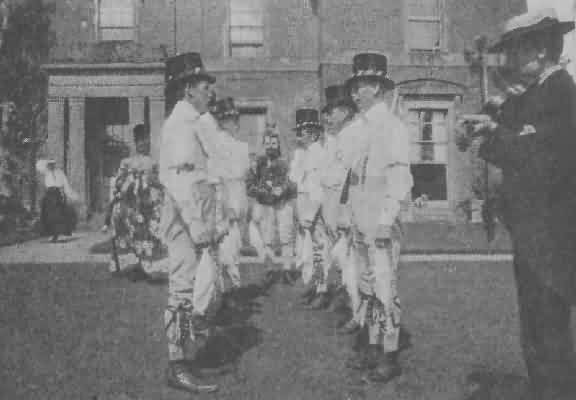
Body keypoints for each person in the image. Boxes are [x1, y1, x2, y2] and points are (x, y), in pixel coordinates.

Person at [472, 8, 576, 400]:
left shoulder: (562, 92)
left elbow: (548, 159)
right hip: (533, 233)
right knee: (535, 332)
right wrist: (488, 129)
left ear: (541, 50)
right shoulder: (533, 95)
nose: (512, 60)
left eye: (518, 50)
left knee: (549, 333)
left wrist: (500, 131)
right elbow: (512, 148)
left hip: (553, 235)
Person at [336, 53, 413, 383]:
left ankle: (389, 352)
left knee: (384, 282)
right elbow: (348, 173)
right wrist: (348, 214)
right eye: (354, 85)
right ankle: (372, 344)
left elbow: (400, 176)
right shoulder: (355, 129)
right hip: (359, 209)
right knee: (366, 283)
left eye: (364, 85)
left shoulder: (392, 126)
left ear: (379, 87)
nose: (356, 92)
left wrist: (387, 218)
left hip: (380, 209)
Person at [157, 52, 226, 394]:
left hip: (194, 212)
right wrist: (198, 225)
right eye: (203, 86)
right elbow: (180, 181)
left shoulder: (193, 122)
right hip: (185, 216)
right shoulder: (180, 125)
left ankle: (183, 356)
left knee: (191, 285)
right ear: (187, 90)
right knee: (181, 288)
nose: (209, 92)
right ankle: (177, 365)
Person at [318, 84, 359, 316]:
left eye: (331, 112)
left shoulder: (352, 135)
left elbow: (349, 178)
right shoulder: (335, 138)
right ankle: (353, 306)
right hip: (333, 202)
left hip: (346, 203)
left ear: (344, 111)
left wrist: (345, 212)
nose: (327, 117)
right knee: (340, 257)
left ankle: (358, 312)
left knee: (348, 258)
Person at [105, 124, 163, 280]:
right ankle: (131, 265)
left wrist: (152, 182)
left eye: (146, 141)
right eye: (140, 141)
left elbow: (159, 182)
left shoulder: (153, 162)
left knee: (147, 233)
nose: (143, 144)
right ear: (135, 143)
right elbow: (119, 181)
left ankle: (147, 265)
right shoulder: (127, 161)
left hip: (147, 202)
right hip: (131, 203)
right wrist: (128, 182)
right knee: (130, 231)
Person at [210, 97, 250, 308]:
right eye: (229, 119)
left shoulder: (242, 147)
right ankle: (225, 291)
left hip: (238, 196)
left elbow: (242, 177)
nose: (234, 123)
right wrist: (226, 207)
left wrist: (240, 206)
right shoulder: (216, 144)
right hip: (223, 198)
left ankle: (230, 290)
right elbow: (218, 178)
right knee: (224, 248)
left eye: (235, 119)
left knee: (233, 247)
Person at [289, 108, 331, 308]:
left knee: (319, 249)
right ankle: (316, 286)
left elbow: (317, 187)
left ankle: (322, 290)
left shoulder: (318, 154)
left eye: (303, 131)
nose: (299, 135)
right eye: (298, 131)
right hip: (304, 205)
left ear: (314, 134)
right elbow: (296, 182)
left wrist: (310, 215)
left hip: (314, 209)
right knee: (308, 249)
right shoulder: (302, 154)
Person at [246, 125, 297, 284]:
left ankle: (287, 269)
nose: (270, 146)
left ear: (279, 145)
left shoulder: (286, 162)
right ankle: (268, 269)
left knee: (286, 236)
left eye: (273, 143)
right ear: (263, 144)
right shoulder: (257, 164)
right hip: (265, 204)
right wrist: (263, 191)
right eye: (267, 143)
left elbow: (294, 182)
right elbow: (249, 185)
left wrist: (282, 188)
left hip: (283, 202)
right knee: (266, 238)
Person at [37, 159, 78, 242]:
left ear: (55, 165)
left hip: (57, 195)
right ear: (47, 165)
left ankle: (56, 235)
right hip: (48, 195)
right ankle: (50, 234)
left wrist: (72, 195)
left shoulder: (60, 173)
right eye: (49, 164)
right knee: (48, 215)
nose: (51, 166)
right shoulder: (46, 173)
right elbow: (39, 166)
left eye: (52, 164)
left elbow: (66, 185)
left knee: (58, 215)